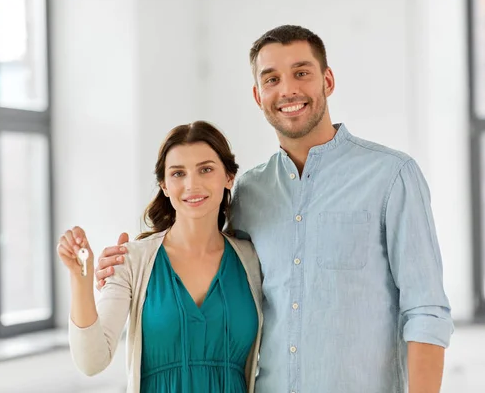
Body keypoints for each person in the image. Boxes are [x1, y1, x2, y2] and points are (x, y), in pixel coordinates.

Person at [96, 25, 454, 392]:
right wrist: (128, 271)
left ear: (327, 80)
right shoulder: (250, 190)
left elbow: (426, 312)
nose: (288, 90)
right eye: (272, 79)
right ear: (257, 95)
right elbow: (209, 263)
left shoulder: (391, 176)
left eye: (302, 73)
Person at [57, 121, 264, 393]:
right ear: (164, 185)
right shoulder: (132, 261)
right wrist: (80, 279)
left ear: (228, 177)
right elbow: (91, 362)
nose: (192, 184)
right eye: (178, 173)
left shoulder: (251, 259)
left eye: (206, 169)